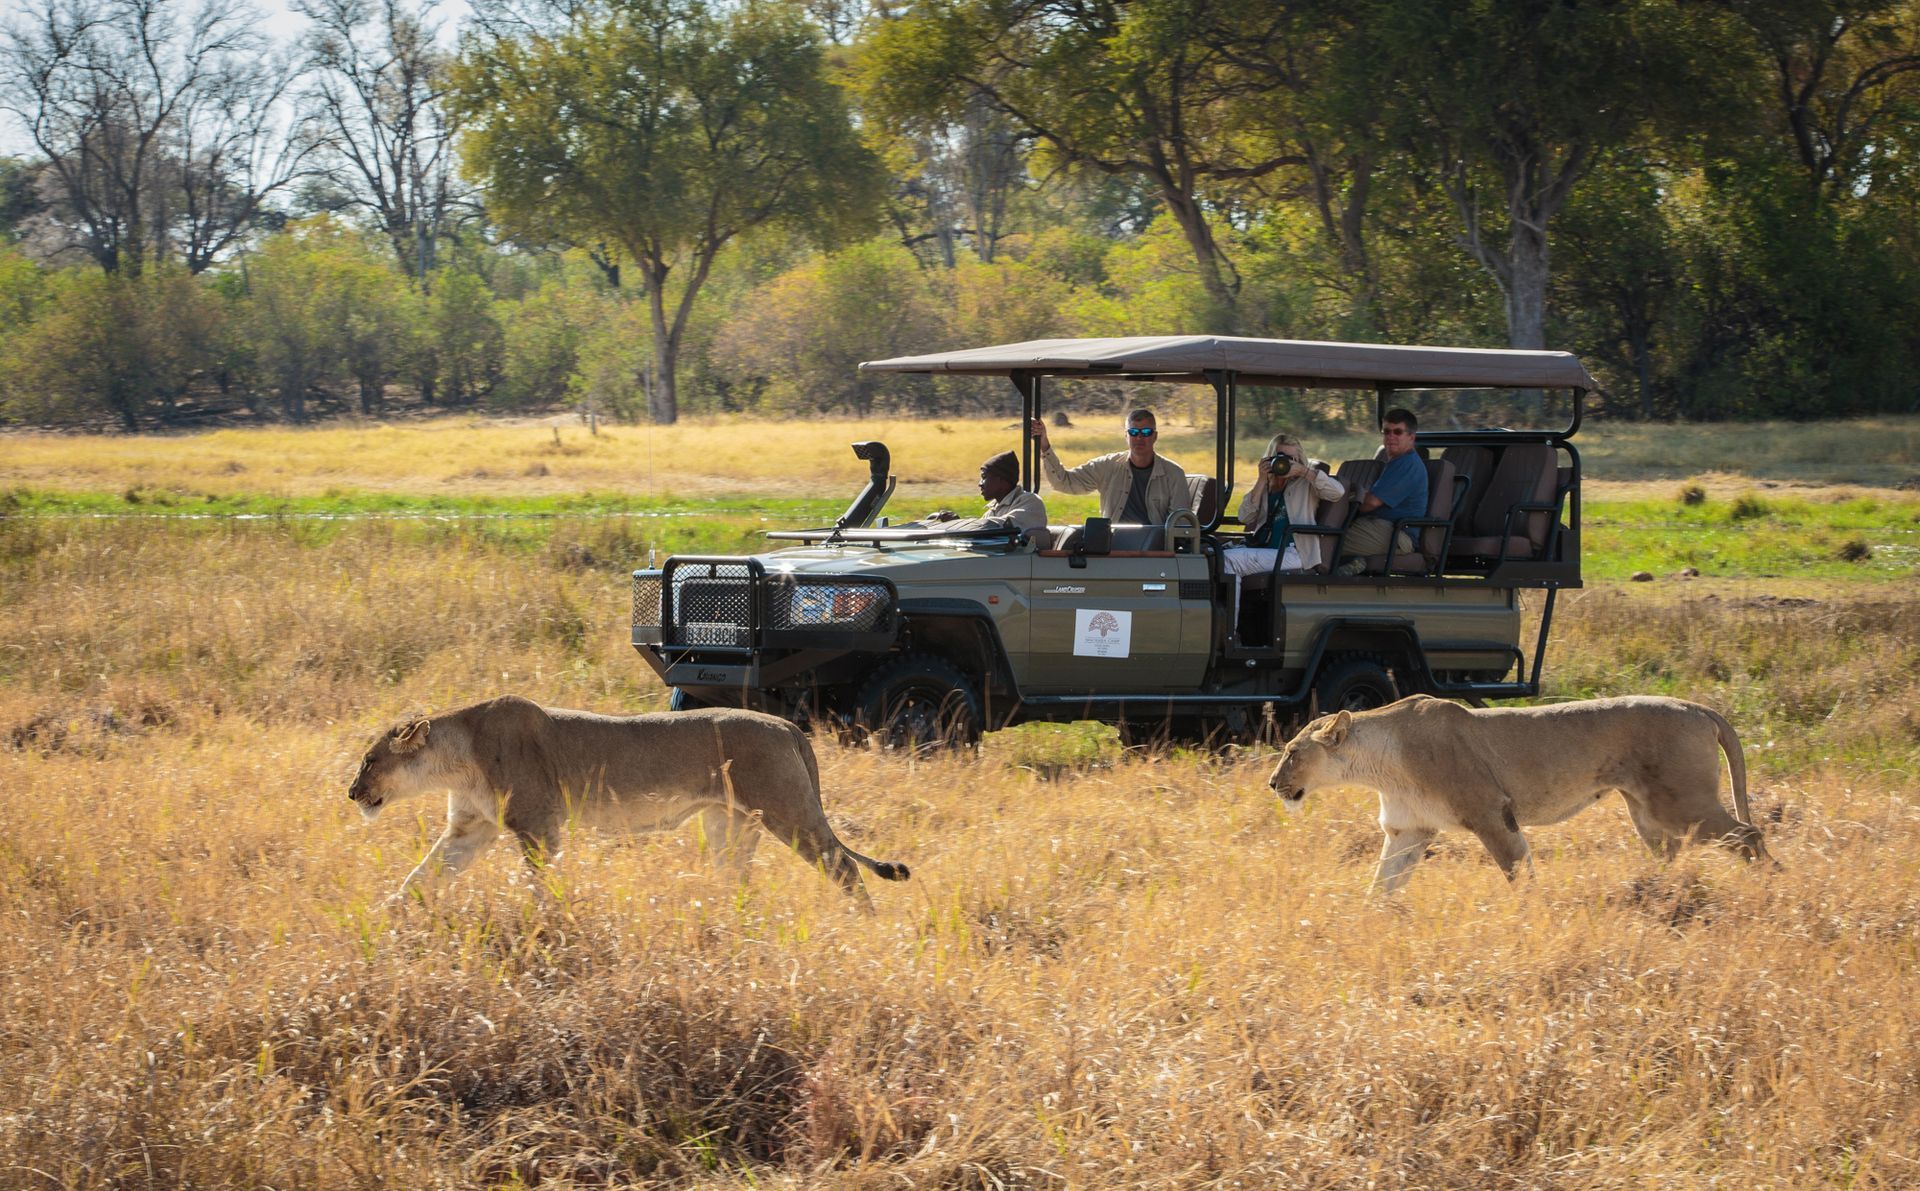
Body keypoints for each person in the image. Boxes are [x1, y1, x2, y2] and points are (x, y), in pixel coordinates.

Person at [1027, 408, 1189, 525]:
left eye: (1146, 432)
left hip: (1154, 551)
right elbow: (1064, 482)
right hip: (1112, 546)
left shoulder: (1174, 474)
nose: (1139, 437)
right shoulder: (1108, 466)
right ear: (1126, 436)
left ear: (1155, 436)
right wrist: (1044, 444)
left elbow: (1180, 527)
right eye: (1133, 432)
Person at [1223, 433, 1345, 576]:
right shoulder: (1266, 485)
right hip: (1265, 549)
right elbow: (1244, 517)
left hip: (1294, 553)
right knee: (1215, 555)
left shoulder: (1306, 482)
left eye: (1290, 459)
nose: (1284, 463)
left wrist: (1303, 471)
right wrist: (1262, 479)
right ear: (1269, 458)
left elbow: (1338, 492)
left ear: (1299, 460)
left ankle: (1233, 599)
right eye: (1279, 458)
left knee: (1229, 559)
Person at [1334, 407, 1428, 576]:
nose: (1390, 437)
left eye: (1397, 432)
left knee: (1323, 540)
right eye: (1386, 432)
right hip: (1379, 527)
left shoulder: (1407, 464)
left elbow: (1371, 502)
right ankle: (1351, 562)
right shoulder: (1394, 463)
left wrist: (1349, 506)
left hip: (1397, 534)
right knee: (1321, 533)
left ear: (1411, 437)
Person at [920, 449, 1048, 533]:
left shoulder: (1030, 502)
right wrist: (957, 524)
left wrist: (963, 524)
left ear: (1001, 480)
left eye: (984, 478)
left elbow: (1003, 527)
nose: (980, 484)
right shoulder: (993, 510)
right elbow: (981, 531)